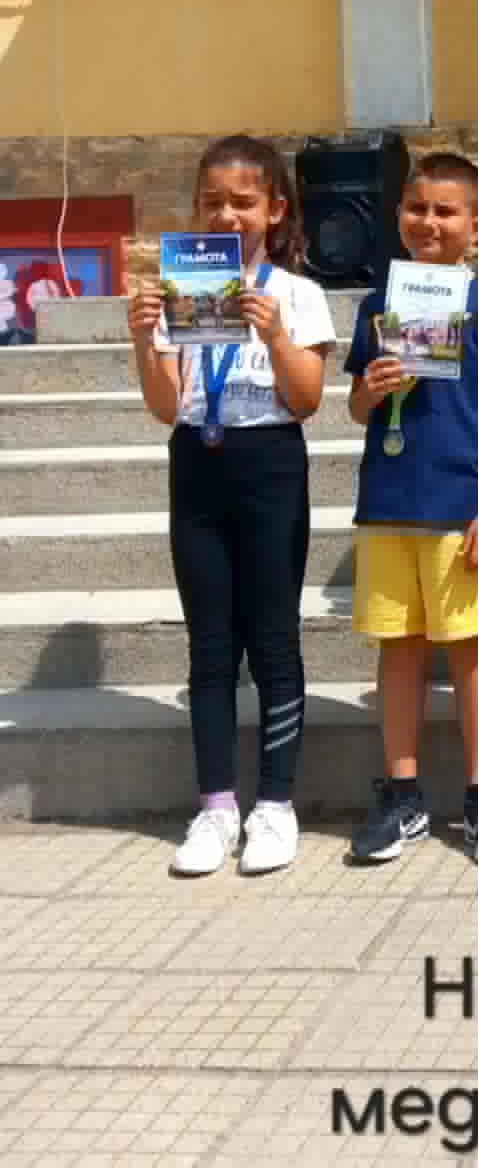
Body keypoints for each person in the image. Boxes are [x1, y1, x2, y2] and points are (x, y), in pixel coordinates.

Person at [127, 134, 335, 877]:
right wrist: (143, 341)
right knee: (210, 647)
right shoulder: (178, 293)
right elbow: (165, 406)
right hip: (197, 465)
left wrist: (274, 333)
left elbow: (306, 399)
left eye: (243, 202)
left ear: (274, 210)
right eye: (211, 201)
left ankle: (275, 804)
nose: (226, 215)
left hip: (270, 463)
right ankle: (216, 806)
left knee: (274, 642)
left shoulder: (299, 294)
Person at [346, 152, 478, 865]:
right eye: (416, 208)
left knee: (474, 649)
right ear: (397, 217)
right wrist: (371, 388)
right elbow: (357, 406)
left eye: (445, 211)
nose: (428, 222)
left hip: (459, 505)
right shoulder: (377, 303)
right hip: (389, 503)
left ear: (477, 227)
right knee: (399, 647)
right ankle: (402, 793)